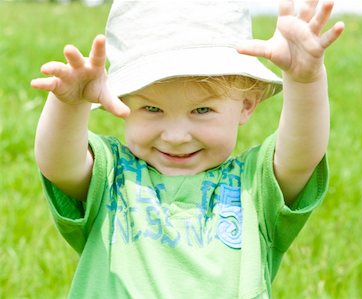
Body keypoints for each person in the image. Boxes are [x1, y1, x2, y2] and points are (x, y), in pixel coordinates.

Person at [31, 0, 344, 298]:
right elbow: (59, 164)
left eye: (202, 111)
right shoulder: (113, 177)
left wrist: (305, 81)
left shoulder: (253, 189)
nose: (177, 136)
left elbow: (301, 157)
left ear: (246, 105)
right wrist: (69, 106)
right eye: (152, 109)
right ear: (123, 101)